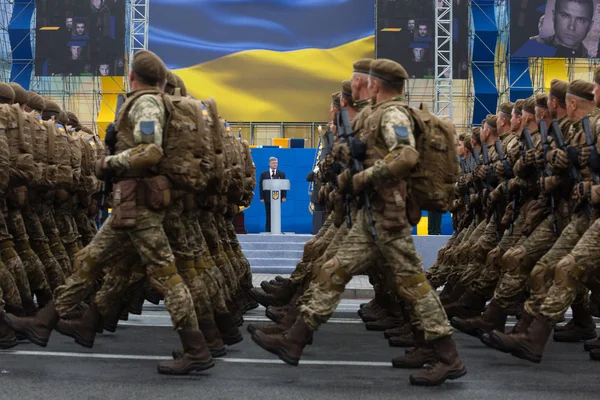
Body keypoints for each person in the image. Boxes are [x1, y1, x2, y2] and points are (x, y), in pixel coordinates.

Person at [513, 0, 598, 58]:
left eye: (581, 20)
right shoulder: (529, 47)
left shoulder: (593, 61)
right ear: (554, 16)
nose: (571, 27)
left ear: (590, 25)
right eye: (565, 16)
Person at [259, 157, 286, 232]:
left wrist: (283, 196)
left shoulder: (281, 174)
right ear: (269, 164)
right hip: (267, 197)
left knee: (276, 214)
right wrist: (262, 197)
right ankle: (268, 230)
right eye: (273, 163)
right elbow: (261, 186)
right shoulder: (264, 174)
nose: (275, 164)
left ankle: (277, 229)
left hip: (277, 198)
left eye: (276, 163)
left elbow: (283, 186)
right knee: (268, 214)